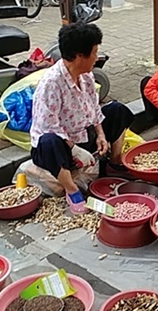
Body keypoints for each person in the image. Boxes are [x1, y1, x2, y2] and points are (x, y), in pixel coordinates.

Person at [30, 22, 134, 212]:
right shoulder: (51, 83)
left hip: (84, 135)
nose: (97, 57)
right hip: (60, 145)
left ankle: (114, 163)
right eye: (94, 52)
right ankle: (72, 190)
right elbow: (50, 127)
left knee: (118, 110)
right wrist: (75, 150)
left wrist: (101, 134)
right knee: (48, 142)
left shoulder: (86, 76)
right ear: (79, 56)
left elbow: (94, 108)